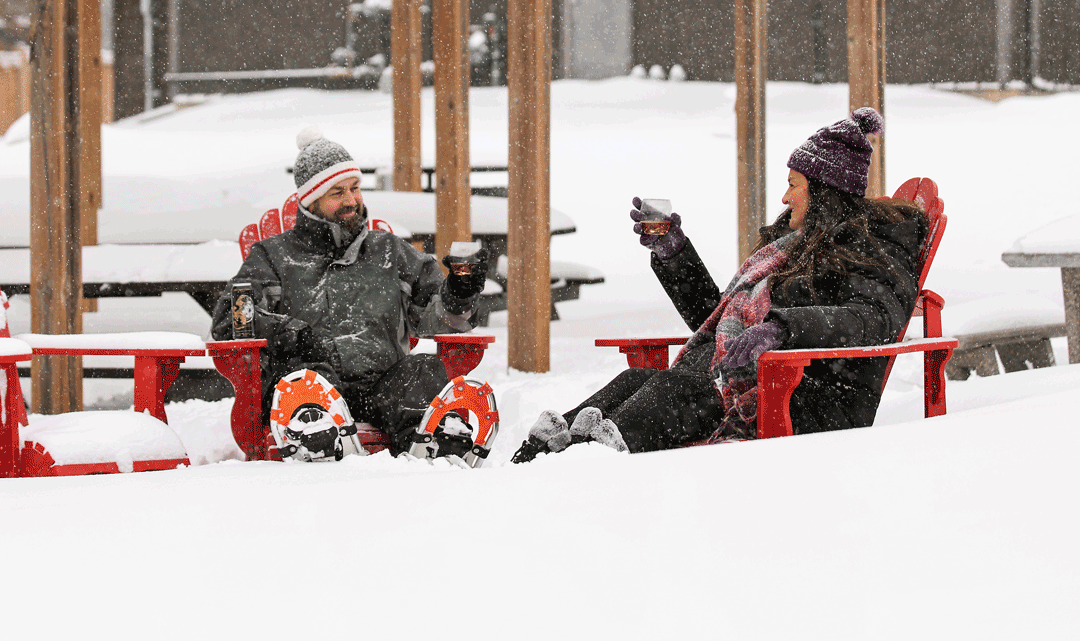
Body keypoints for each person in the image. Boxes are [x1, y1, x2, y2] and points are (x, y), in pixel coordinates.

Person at [512, 107, 928, 461]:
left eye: (793, 185)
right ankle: (540, 457)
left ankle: (586, 465)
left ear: (824, 191)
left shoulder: (873, 246)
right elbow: (715, 320)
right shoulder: (789, 249)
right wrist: (675, 255)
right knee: (634, 380)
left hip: (808, 396)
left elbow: (873, 318)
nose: (784, 198)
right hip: (748, 381)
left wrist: (783, 328)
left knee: (674, 388)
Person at [211, 127, 486, 458]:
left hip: (384, 389)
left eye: (355, 188)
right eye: (337, 192)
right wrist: (289, 333)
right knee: (304, 380)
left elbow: (440, 317)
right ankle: (316, 440)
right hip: (312, 388)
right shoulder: (274, 256)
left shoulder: (389, 252)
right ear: (310, 201)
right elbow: (231, 320)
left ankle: (431, 445)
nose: (351, 200)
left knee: (422, 369)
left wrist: (459, 294)